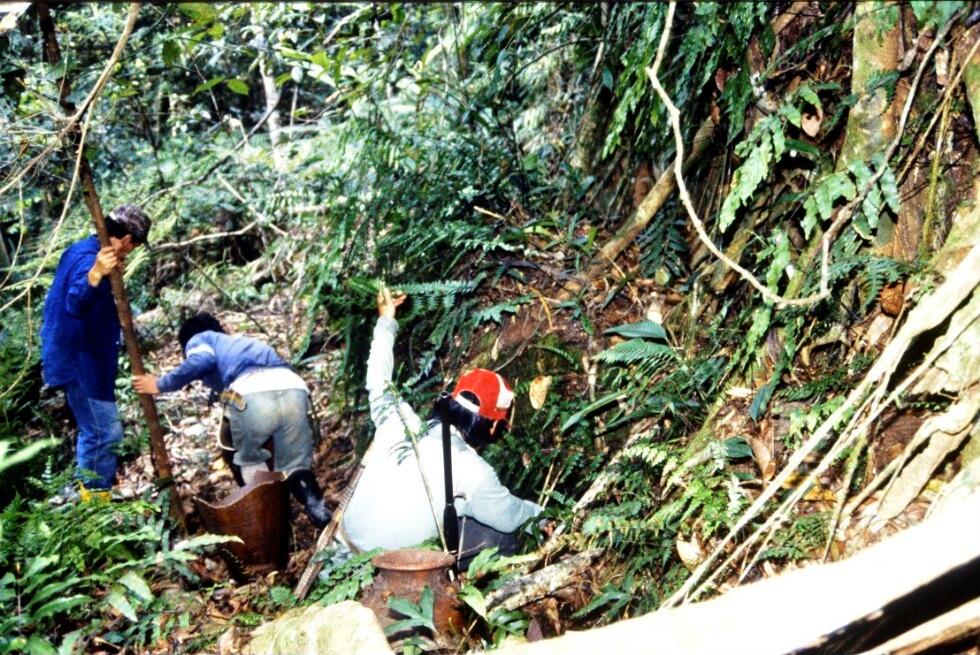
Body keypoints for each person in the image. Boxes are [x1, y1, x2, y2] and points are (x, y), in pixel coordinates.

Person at [340, 288, 542, 568]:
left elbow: (378, 377)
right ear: (492, 426)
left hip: (340, 553)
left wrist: (386, 319)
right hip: (392, 570)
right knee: (501, 537)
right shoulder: (473, 470)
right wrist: (539, 514)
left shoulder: (399, 420)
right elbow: (507, 516)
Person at [132, 312, 331, 528]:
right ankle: (317, 508)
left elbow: (203, 361)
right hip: (292, 387)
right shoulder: (239, 342)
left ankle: (272, 523)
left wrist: (160, 384)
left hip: (251, 391)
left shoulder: (200, 339)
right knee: (295, 464)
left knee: (249, 462)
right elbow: (231, 380)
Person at [40, 205, 152, 495]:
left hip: (85, 356)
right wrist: (95, 274)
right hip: (79, 360)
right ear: (126, 240)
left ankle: (90, 498)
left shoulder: (84, 249)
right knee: (104, 433)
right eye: (134, 246)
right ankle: (93, 501)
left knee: (97, 431)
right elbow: (75, 302)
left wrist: (108, 275)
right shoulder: (88, 259)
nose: (131, 251)